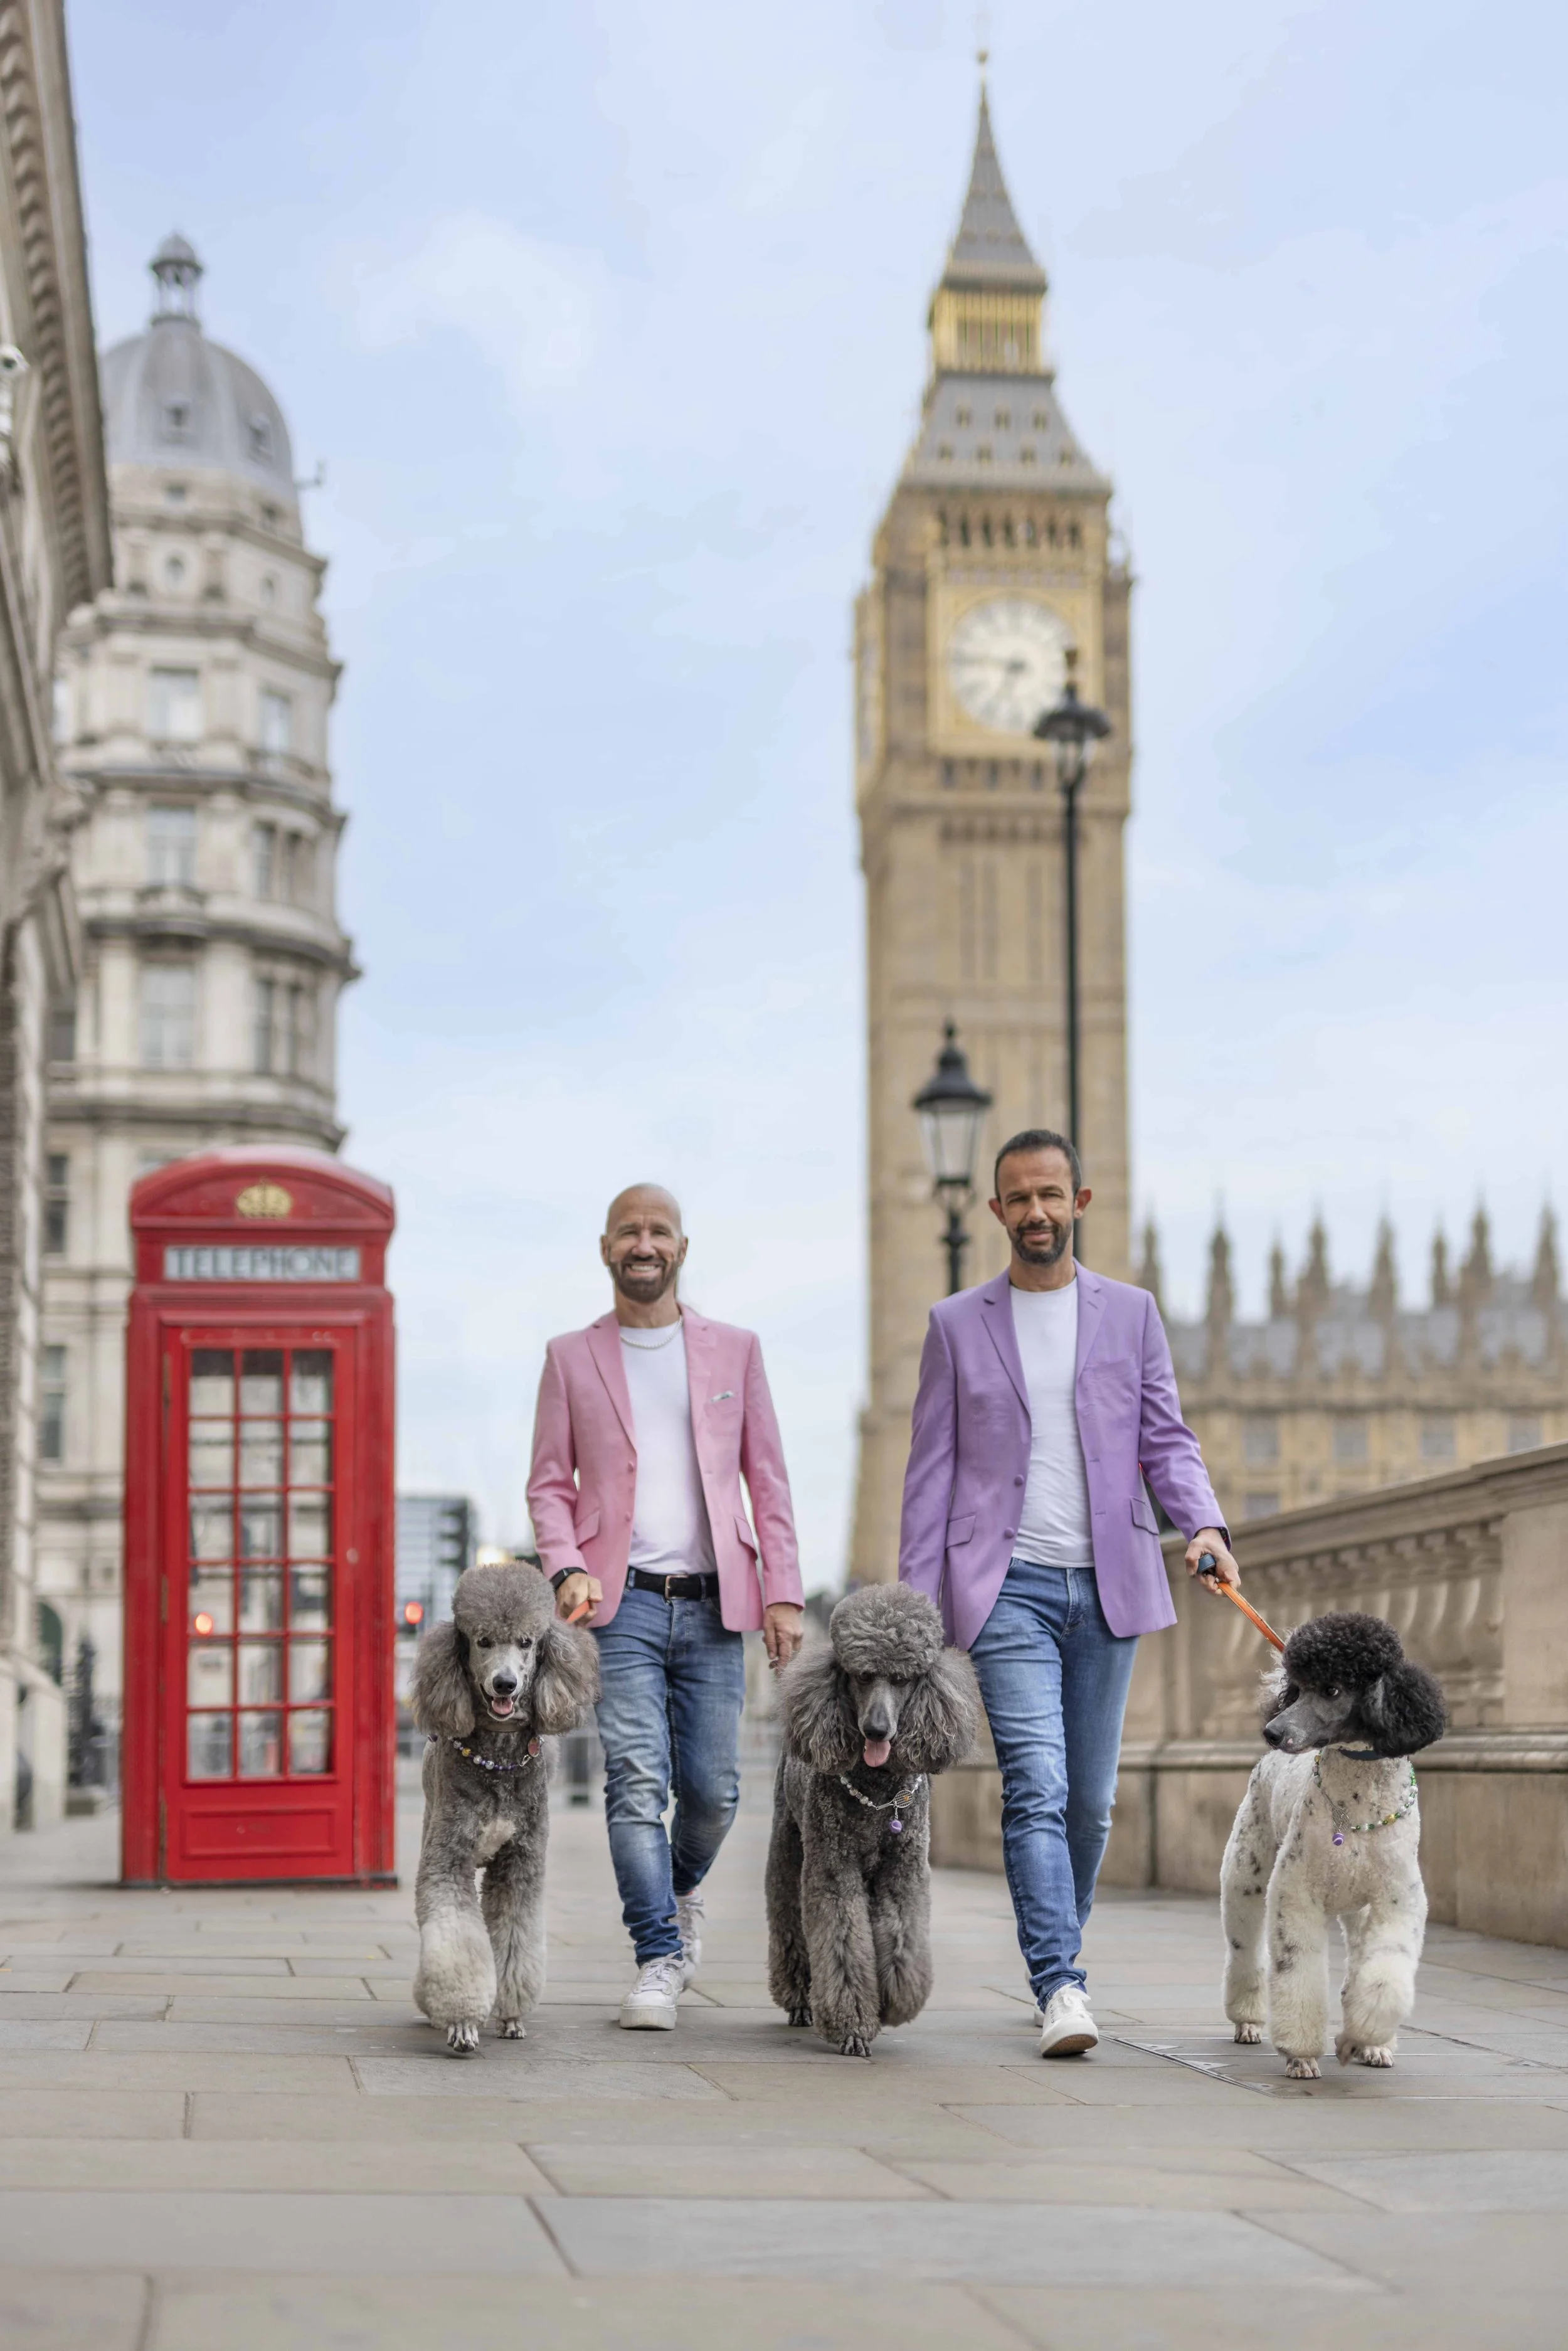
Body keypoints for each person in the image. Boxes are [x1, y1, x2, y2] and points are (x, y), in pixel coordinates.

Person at [898, 1128, 1239, 2057]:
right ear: (997, 1210)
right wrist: (913, 1616)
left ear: (1079, 1202)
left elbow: (1166, 1438)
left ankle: (1060, 1944)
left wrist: (1204, 1525)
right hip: (1003, 1587)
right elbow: (929, 1476)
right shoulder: (956, 1325)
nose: (1036, 1211)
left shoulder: (1131, 1313)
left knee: (1089, 1804)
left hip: (1108, 1584)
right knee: (1038, 1787)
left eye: (1051, 1194)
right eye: (1019, 1197)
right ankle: (1060, 1981)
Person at [527, 1184, 804, 2030]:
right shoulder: (570, 1356)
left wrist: (785, 1593)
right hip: (621, 1609)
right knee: (635, 1782)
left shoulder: (737, 1351)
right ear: (605, 1249)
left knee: (714, 1793)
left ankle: (677, 1892)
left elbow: (768, 1479)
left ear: (681, 1248)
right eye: (628, 1232)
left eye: (658, 1231)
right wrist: (566, 1567)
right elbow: (548, 1484)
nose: (643, 1244)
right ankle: (657, 1955)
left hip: (718, 1604)